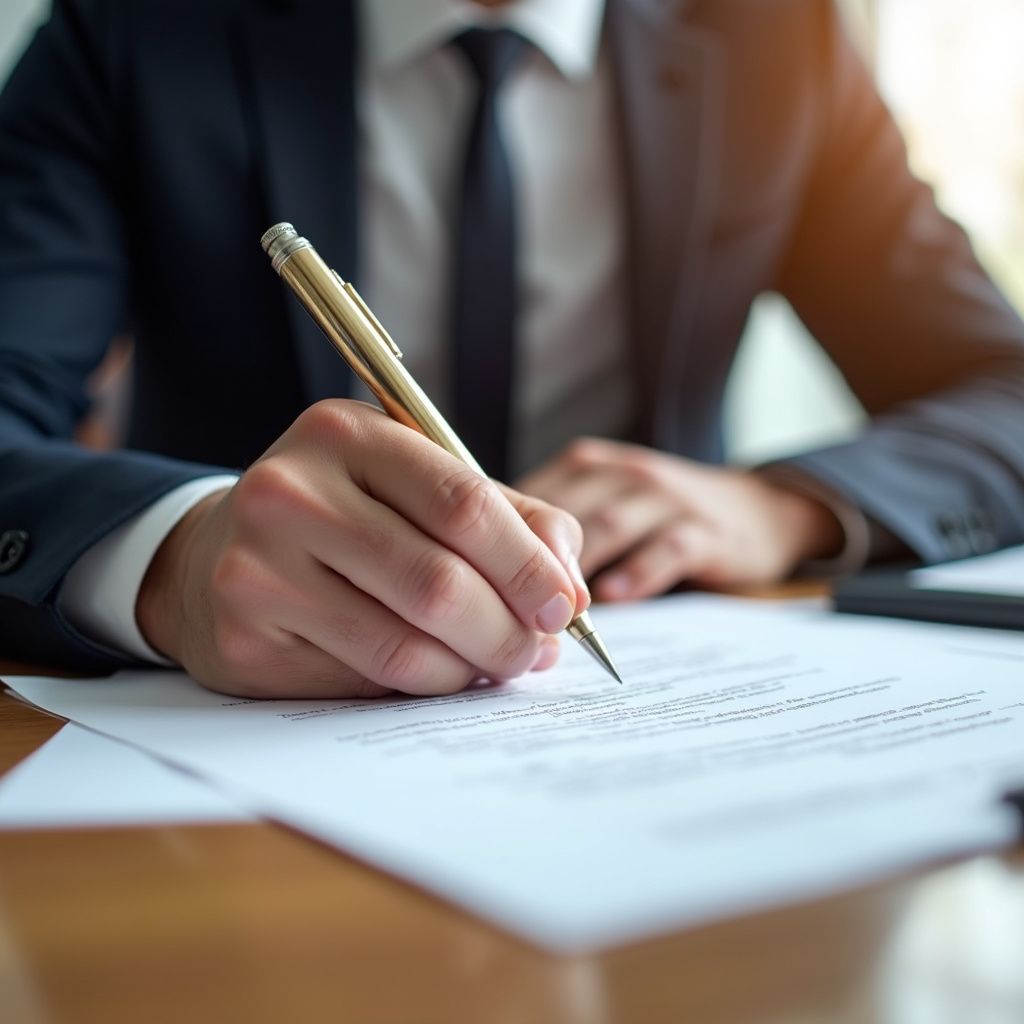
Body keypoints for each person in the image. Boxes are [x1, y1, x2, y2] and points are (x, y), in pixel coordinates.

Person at [1, 0, 1023, 697]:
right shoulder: (132, 27)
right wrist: (176, 560)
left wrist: (778, 506)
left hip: (649, 694)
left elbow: (1003, 385)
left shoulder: (771, 37)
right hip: (234, 767)